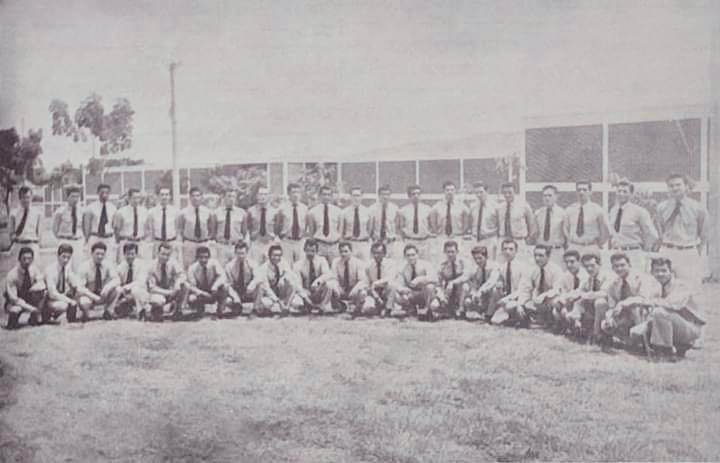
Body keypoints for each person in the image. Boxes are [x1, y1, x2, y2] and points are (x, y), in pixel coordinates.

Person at [642, 257, 705, 360]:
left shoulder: (681, 285)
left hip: (690, 326)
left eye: (664, 271)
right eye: (657, 271)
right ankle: (680, 346)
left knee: (659, 312)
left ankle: (666, 352)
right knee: (636, 332)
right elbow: (645, 301)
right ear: (652, 273)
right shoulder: (657, 286)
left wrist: (650, 302)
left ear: (671, 272)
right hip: (674, 323)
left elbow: (673, 304)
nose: (660, 274)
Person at [655, 173, 709, 289]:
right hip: (667, 250)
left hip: (687, 252)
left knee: (689, 287)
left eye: (678, 185)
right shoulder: (661, 207)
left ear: (686, 186)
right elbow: (660, 230)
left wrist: (695, 251)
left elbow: (704, 233)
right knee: (661, 287)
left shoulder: (698, 208)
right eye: (671, 186)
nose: (674, 188)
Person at [608, 179, 658, 273]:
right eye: (619, 191)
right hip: (617, 253)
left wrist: (644, 250)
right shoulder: (613, 211)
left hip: (633, 253)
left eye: (625, 191)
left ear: (631, 194)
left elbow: (652, 234)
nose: (621, 194)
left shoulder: (640, 212)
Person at [600, 253, 648, 345]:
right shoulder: (614, 283)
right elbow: (612, 305)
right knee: (605, 324)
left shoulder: (640, 278)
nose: (619, 269)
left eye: (622, 265)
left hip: (641, 313)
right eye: (616, 266)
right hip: (624, 315)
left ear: (629, 265)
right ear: (612, 268)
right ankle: (625, 339)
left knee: (635, 307)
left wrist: (623, 303)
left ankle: (642, 341)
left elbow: (644, 299)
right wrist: (609, 316)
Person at [565, 252, 613, 340]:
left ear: (599, 264)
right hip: (593, 308)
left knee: (600, 302)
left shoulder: (607, 276)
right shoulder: (589, 278)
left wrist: (584, 295)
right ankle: (576, 326)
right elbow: (580, 290)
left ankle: (597, 334)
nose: (589, 269)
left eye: (592, 266)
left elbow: (604, 293)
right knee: (574, 299)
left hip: (609, 308)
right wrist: (571, 296)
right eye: (586, 266)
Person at [520, 245, 565, 328]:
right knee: (524, 306)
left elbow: (557, 289)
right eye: (535, 255)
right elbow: (526, 289)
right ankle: (539, 320)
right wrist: (521, 304)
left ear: (548, 256)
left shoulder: (556, 270)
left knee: (555, 302)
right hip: (537, 301)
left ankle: (552, 322)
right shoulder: (532, 269)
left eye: (541, 256)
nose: (537, 258)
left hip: (551, 299)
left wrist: (543, 296)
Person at [489, 239, 531, 326]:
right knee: (495, 321)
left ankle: (521, 317)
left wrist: (507, 299)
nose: (507, 252)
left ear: (516, 251)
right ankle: (509, 318)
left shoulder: (523, 267)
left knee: (509, 307)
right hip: (507, 299)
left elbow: (522, 290)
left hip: (520, 298)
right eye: (505, 249)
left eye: (511, 249)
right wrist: (499, 289)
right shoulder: (502, 267)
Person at [45, 244, 91, 323]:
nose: (66, 260)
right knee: (64, 305)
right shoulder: (50, 270)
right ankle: (49, 314)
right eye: (63, 257)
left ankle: (78, 315)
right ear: (58, 256)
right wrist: (69, 301)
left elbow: (75, 283)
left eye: (68, 257)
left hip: (62, 297)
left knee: (79, 294)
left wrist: (79, 289)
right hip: (50, 300)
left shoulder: (67, 268)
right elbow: (52, 294)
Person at [76, 241, 121, 321]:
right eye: (97, 254)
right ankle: (86, 314)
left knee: (118, 289)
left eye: (102, 254)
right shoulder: (84, 267)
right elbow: (80, 288)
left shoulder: (108, 264)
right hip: (89, 296)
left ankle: (108, 311)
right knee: (84, 302)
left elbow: (117, 279)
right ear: (92, 253)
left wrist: (108, 287)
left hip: (103, 294)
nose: (100, 256)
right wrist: (93, 297)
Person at [494, 182, 537, 266]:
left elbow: (532, 225)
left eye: (510, 192)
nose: (507, 195)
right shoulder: (499, 208)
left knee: (520, 265)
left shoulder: (524, 206)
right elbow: (498, 225)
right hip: (503, 240)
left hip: (518, 240)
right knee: (501, 265)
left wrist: (526, 240)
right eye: (505, 193)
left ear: (515, 192)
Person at [252, 244, 301, 316]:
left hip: (281, 294)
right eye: (274, 255)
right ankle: (278, 307)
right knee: (266, 304)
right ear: (269, 256)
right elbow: (267, 289)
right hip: (269, 296)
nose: (277, 258)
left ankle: (286, 307)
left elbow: (294, 281)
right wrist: (279, 302)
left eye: (279, 255)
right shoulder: (263, 268)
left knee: (297, 299)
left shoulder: (284, 264)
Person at [3, 246, 46, 329]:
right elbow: (14, 299)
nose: (27, 261)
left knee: (44, 293)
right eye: (24, 259)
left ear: (32, 259)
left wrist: (35, 288)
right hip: (15, 302)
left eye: (29, 259)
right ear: (19, 259)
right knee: (15, 310)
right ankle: (12, 321)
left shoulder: (34, 270)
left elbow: (42, 284)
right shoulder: (12, 275)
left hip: (29, 297)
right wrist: (31, 308)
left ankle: (34, 318)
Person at [564, 181, 610, 256]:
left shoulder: (598, 210)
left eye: (585, 190)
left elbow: (606, 230)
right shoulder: (569, 210)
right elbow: (565, 228)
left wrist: (598, 244)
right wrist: (570, 242)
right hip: (574, 246)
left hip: (590, 246)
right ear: (576, 192)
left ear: (590, 192)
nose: (581, 192)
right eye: (579, 190)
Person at [394, 243, 439, 320]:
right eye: (408, 255)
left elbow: (435, 278)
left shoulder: (426, 264)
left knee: (431, 292)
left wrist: (420, 279)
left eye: (413, 255)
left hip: (425, 293)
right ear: (404, 256)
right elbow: (398, 284)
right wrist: (403, 290)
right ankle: (411, 308)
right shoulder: (402, 268)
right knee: (398, 295)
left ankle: (428, 310)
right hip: (412, 293)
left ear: (417, 255)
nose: (411, 258)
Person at [293, 238, 336, 314]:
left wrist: (317, 281)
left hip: (318, 291)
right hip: (306, 292)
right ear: (304, 250)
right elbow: (298, 285)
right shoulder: (298, 265)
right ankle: (307, 306)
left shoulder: (322, 260)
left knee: (330, 284)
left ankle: (323, 306)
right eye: (308, 251)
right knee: (296, 303)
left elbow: (327, 274)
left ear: (317, 251)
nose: (310, 253)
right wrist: (306, 298)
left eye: (313, 251)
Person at [177, 187, 216, 269]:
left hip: (203, 243)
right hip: (190, 243)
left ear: (201, 197)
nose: (195, 198)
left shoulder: (208, 212)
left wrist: (207, 239)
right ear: (190, 197)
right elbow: (180, 228)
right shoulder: (183, 212)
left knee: (205, 267)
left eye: (198, 195)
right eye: (193, 196)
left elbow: (211, 228)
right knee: (188, 267)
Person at [147, 242, 188, 321]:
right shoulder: (151, 266)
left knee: (185, 285)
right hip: (159, 292)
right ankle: (158, 311)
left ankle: (178, 310)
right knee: (158, 301)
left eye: (168, 255)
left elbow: (182, 275)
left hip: (171, 290)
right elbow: (152, 288)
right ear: (157, 253)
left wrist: (178, 283)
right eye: (163, 254)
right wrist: (168, 292)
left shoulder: (173, 262)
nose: (165, 257)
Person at [331, 241, 373, 316]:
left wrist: (354, 291)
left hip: (354, 289)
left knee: (363, 292)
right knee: (331, 285)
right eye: (341, 252)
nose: (343, 254)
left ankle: (357, 308)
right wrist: (338, 287)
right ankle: (340, 306)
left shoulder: (358, 263)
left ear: (351, 252)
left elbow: (362, 280)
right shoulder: (335, 262)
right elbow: (333, 278)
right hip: (341, 289)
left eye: (346, 251)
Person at [186, 246, 229, 317]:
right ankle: (199, 309)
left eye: (206, 257)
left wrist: (215, 286)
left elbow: (223, 276)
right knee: (191, 298)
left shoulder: (214, 263)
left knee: (225, 286)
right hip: (201, 293)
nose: (204, 260)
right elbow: (192, 286)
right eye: (201, 257)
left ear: (209, 257)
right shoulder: (192, 268)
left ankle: (220, 310)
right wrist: (202, 293)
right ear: (197, 258)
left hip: (214, 291)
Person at [431, 181, 468, 261]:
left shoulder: (462, 206)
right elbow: (433, 223)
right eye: (447, 190)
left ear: (455, 191)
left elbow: (466, 223)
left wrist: (460, 233)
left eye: (452, 190)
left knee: (458, 260)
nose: (450, 192)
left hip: (457, 237)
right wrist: (438, 233)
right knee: (441, 259)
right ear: (444, 191)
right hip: (442, 237)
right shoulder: (437, 207)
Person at [462, 245, 501, 321]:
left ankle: (488, 315)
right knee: (468, 300)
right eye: (475, 259)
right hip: (483, 297)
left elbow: (491, 282)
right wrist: (474, 293)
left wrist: (480, 291)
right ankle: (478, 311)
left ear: (486, 257)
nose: (478, 261)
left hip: (496, 297)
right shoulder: (477, 268)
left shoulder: (494, 266)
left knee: (495, 289)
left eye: (480, 258)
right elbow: (475, 283)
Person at [552, 250, 587, 332]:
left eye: (572, 262)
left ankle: (579, 328)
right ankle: (566, 327)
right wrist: (562, 300)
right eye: (566, 262)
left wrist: (566, 298)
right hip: (569, 302)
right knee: (557, 306)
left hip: (583, 303)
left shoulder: (585, 275)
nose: (569, 265)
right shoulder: (566, 275)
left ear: (579, 262)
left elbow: (580, 292)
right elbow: (557, 288)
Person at [51, 184, 85, 271]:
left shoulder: (82, 211)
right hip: (65, 240)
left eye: (77, 197)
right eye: (73, 196)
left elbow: (84, 227)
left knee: (77, 266)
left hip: (77, 241)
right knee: (64, 266)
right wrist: (62, 239)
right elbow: (54, 229)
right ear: (67, 197)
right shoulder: (60, 211)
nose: (75, 199)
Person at [533, 185, 567, 268]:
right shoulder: (538, 213)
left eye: (550, 195)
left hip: (556, 251)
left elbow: (566, 235)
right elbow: (535, 233)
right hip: (542, 252)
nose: (547, 198)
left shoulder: (563, 214)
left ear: (556, 196)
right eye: (545, 196)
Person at [307, 185, 342, 264]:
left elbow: (339, 231)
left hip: (334, 246)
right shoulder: (312, 212)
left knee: (334, 267)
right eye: (324, 194)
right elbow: (311, 233)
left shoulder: (338, 212)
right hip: (320, 245)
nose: (326, 197)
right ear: (319, 196)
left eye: (329, 194)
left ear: (331, 196)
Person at [436, 239, 471, 319]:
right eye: (448, 252)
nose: (450, 254)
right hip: (448, 292)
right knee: (435, 305)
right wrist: (441, 295)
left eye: (452, 252)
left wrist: (452, 282)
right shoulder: (442, 265)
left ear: (457, 251)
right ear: (444, 252)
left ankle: (461, 309)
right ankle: (446, 308)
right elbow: (437, 283)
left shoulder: (463, 262)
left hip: (461, 292)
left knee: (465, 285)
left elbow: (466, 276)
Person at [114, 242, 150, 318]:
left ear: (136, 254)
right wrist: (122, 289)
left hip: (140, 292)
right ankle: (113, 309)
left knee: (136, 289)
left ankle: (141, 311)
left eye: (132, 254)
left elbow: (141, 281)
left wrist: (128, 286)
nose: (130, 256)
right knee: (117, 289)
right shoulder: (120, 267)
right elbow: (117, 281)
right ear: (124, 254)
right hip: (126, 293)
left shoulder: (142, 265)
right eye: (128, 254)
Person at [83, 183, 117, 261]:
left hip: (108, 238)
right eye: (102, 193)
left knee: (109, 261)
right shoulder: (90, 208)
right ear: (98, 193)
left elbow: (114, 225)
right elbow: (87, 226)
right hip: (95, 237)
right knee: (93, 260)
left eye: (107, 193)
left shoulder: (113, 208)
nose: (104, 195)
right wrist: (86, 240)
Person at [465, 181, 498, 260]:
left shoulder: (495, 207)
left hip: (489, 240)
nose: (479, 195)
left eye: (481, 192)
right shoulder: (473, 207)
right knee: (475, 262)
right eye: (476, 193)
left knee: (490, 262)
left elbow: (499, 225)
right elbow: (470, 223)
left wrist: (490, 234)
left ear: (487, 191)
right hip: (476, 240)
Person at [145, 187, 182, 259]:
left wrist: (177, 242)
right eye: (162, 195)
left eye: (166, 195)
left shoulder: (176, 211)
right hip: (158, 242)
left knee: (172, 262)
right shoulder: (152, 212)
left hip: (171, 242)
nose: (164, 197)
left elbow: (178, 228)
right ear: (158, 196)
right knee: (157, 263)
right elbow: (150, 228)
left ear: (170, 197)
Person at [113, 188, 149, 262]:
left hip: (140, 243)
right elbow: (116, 230)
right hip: (126, 242)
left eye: (138, 198)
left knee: (141, 265)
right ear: (129, 198)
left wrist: (142, 238)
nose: (136, 200)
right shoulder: (120, 212)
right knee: (124, 264)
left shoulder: (144, 211)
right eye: (134, 198)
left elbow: (147, 228)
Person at [398, 185, 434, 259]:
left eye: (418, 194)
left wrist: (427, 234)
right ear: (409, 196)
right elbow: (401, 227)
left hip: (424, 242)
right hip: (410, 241)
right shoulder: (403, 210)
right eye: (413, 194)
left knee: (425, 262)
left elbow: (431, 226)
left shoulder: (428, 209)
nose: (416, 196)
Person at [224, 241, 260, 316]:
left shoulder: (253, 264)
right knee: (227, 300)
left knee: (260, 284)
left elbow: (258, 277)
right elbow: (228, 284)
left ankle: (255, 309)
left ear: (247, 253)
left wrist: (251, 286)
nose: (241, 256)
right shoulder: (229, 266)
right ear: (235, 253)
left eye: (243, 253)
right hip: (237, 293)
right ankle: (238, 306)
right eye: (238, 253)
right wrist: (235, 297)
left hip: (249, 291)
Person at [277, 183, 309, 263]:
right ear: (288, 193)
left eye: (298, 192)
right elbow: (278, 225)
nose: (296, 195)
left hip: (300, 241)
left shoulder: (305, 208)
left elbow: (306, 225)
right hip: (287, 241)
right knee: (286, 264)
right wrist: (282, 236)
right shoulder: (282, 208)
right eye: (293, 192)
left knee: (301, 264)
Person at [246, 185, 279, 264]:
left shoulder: (275, 211)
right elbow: (248, 227)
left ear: (269, 196)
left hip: (269, 243)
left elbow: (277, 228)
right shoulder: (251, 211)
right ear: (257, 196)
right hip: (256, 243)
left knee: (269, 266)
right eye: (260, 194)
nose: (263, 197)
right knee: (255, 265)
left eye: (265, 194)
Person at [9, 186, 42, 262]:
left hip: (32, 244)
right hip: (19, 245)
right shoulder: (14, 213)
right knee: (17, 267)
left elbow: (39, 233)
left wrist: (37, 244)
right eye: (23, 197)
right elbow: (11, 233)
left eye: (28, 197)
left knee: (33, 267)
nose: (26, 200)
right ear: (20, 198)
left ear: (31, 198)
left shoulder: (38, 213)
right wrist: (15, 240)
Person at [214, 189, 247, 263]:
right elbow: (213, 230)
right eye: (229, 196)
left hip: (235, 246)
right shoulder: (216, 212)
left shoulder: (241, 213)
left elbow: (244, 231)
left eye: (233, 196)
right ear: (224, 197)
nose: (231, 199)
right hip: (221, 246)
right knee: (221, 267)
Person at [364, 241, 397, 317]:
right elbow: (367, 283)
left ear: (384, 254)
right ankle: (378, 307)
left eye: (379, 253)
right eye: (374, 253)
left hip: (386, 291)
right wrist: (376, 297)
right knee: (367, 309)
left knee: (392, 285)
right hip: (374, 293)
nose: (376, 255)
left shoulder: (391, 264)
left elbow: (391, 277)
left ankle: (388, 309)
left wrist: (376, 283)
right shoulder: (368, 265)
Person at [341, 186, 372, 261]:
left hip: (363, 244)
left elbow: (370, 229)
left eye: (358, 195)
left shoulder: (368, 212)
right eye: (354, 195)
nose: (356, 198)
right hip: (350, 243)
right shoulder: (344, 212)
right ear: (350, 197)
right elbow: (342, 230)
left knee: (365, 265)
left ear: (362, 197)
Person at [368, 185, 400, 258]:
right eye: (383, 194)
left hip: (390, 242)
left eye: (387, 194)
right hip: (377, 242)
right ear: (379, 195)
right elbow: (370, 227)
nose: (385, 197)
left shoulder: (395, 209)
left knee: (391, 262)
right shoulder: (372, 209)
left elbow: (398, 226)